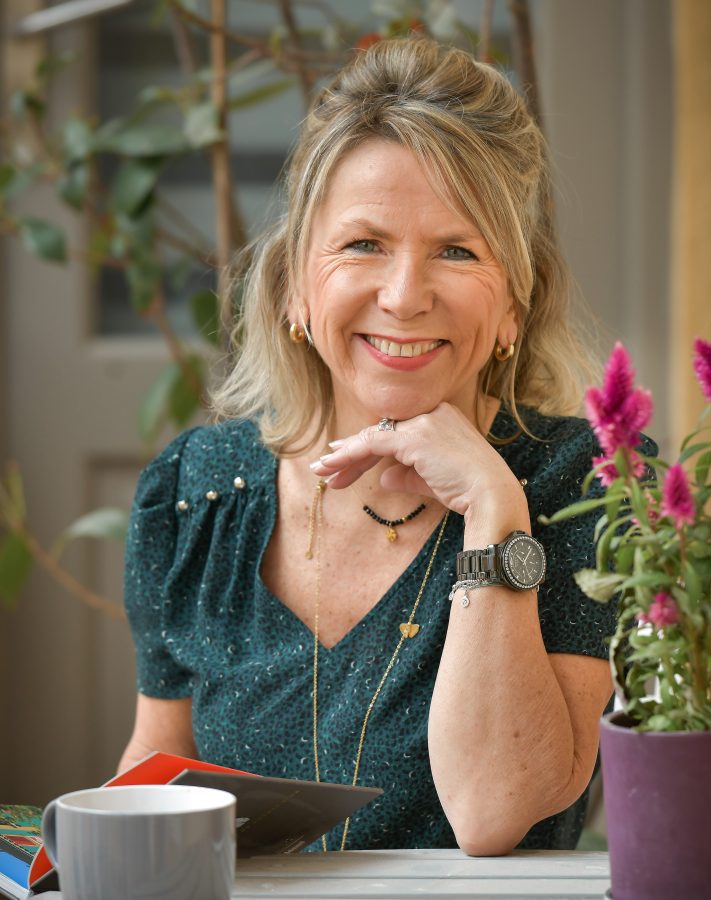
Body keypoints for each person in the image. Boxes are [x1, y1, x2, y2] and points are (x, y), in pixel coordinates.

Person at [119, 37, 622, 856]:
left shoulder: (583, 481)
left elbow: (493, 810)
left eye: (456, 250)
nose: (404, 295)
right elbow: (155, 766)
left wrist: (493, 505)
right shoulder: (193, 492)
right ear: (294, 284)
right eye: (363, 244)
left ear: (511, 308)